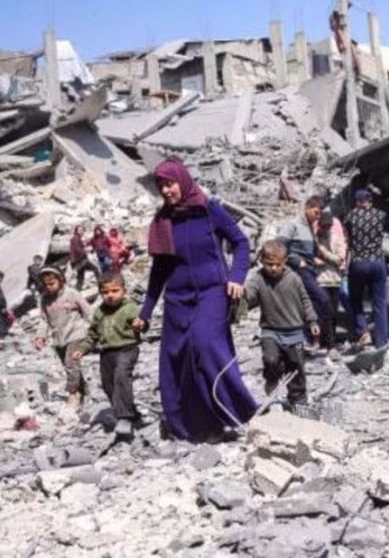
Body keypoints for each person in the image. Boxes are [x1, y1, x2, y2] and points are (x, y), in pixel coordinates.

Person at [132, 157, 258, 442]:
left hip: (213, 291)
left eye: (170, 183)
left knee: (205, 344)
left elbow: (241, 242)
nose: (166, 190)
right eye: (161, 185)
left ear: (183, 181)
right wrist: (146, 311)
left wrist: (237, 277)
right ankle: (198, 426)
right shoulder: (163, 221)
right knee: (177, 358)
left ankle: (243, 411)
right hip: (177, 298)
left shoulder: (209, 209)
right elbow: (160, 269)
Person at [244, 240, 320, 410]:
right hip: (270, 330)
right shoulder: (259, 279)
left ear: (284, 262)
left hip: (294, 331)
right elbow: (247, 298)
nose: (273, 268)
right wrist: (239, 302)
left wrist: (312, 320)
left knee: (296, 366)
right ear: (262, 261)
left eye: (277, 265)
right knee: (270, 359)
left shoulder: (294, 279)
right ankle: (272, 380)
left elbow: (305, 300)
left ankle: (298, 399)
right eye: (269, 264)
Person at [71, 272, 142, 440]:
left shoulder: (129, 307)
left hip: (127, 348)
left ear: (124, 290)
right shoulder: (99, 312)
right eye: (105, 292)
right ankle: (130, 413)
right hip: (107, 352)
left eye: (115, 291)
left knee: (121, 376)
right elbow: (92, 335)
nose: (110, 295)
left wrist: (139, 325)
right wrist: (83, 348)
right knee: (108, 384)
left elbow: (139, 323)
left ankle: (124, 417)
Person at [34, 267, 91, 410]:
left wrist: (95, 331)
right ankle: (84, 391)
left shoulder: (72, 294)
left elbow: (88, 312)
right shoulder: (45, 300)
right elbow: (43, 320)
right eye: (45, 285)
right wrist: (41, 335)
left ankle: (73, 395)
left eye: (52, 283)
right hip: (58, 339)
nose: (49, 287)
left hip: (76, 335)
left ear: (60, 280)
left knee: (70, 364)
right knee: (70, 367)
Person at [278, 195, 332, 343]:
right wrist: (295, 260)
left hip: (310, 269)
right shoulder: (293, 225)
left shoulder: (309, 228)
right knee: (323, 299)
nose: (318, 216)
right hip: (298, 270)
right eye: (316, 212)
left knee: (309, 304)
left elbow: (310, 251)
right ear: (307, 208)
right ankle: (315, 338)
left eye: (320, 213)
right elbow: (279, 247)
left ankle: (309, 339)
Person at [343, 188, 389, 349]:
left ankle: (363, 332)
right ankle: (381, 341)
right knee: (380, 303)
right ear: (370, 201)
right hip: (377, 261)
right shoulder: (381, 215)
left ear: (357, 202)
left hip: (358, 263)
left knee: (355, 300)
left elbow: (347, 240)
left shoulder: (350, 216)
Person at [314, 211, 347, 360]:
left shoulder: (336, 239)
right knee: (324, 313)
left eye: (328, 226)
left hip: (334, 280)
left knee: (333, 313)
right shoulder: (314, 240)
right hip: (320, 280)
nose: (325, 229)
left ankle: (330, 342)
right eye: (323, 226)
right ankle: (328, 344)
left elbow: (339, 259)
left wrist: (324, 254)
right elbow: (310, 257)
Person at [70, 225, 101, 290]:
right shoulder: (75, 238)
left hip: (77, 261)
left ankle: (77, 291)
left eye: (82, 230)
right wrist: (86, 250)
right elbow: (77, 250)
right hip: (80, 260)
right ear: (76, 231)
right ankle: (100, 284)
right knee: (95, 269)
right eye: (80, 230)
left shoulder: (76, 238)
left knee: (80, 278)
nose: (81, 232)